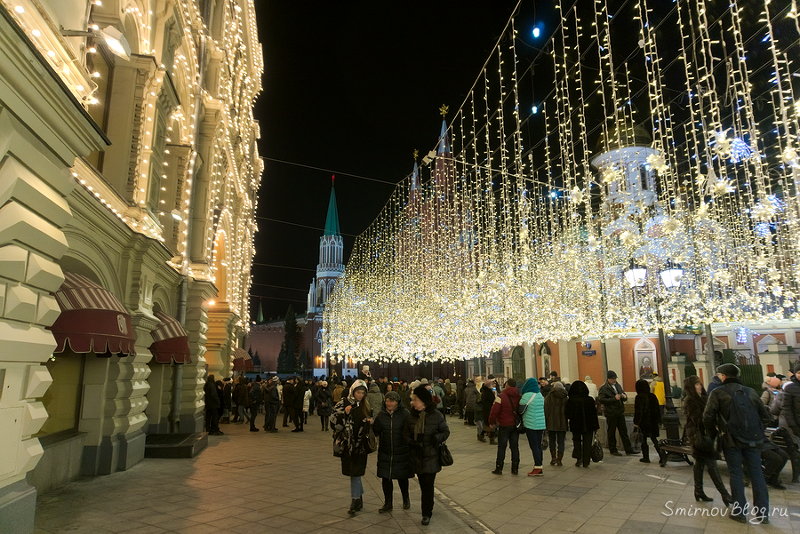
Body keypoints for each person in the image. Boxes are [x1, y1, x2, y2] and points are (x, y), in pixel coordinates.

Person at [703, 363, 771, 524]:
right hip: (753, 439)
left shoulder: (717, 392)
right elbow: (765, 416)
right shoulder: (751, 392)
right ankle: (763, 513)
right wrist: (756, 431)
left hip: (730, 439)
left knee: (736, 473)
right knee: (757, 473)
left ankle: (740, 511)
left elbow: (708, 417)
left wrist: (714, 434)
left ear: (723, 376)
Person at [405, 384, 450, 526]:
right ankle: (428, 506)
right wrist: (412, 442)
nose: (413, 402)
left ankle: (426, 513)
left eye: (415, 400)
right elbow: (405, 434)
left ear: (423, 401)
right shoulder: (411, 416)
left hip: (431, 456)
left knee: (428, 486)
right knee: (423, 485)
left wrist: (437, 438)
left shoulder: (436, 415)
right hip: (417, 456)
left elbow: (445, 431)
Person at [683, 376, 731, 503]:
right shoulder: (690, 401)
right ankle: (724, 494)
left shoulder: (705, 398)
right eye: (696, 384)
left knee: (699, 464)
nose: (700, 386)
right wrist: (709, 419)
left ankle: (698, 491)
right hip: (699, 436)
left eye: (699, 384)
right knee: (711, 464)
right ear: (691, 387)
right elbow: (697, 419)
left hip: (706, 435)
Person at [330, 379, 374, 515]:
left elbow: (369, 425)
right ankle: (358, 498)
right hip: (347, 445)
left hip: (361, 446)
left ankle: (355, 500)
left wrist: (370, 422)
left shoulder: (366, 405)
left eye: (363, 393)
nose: (360, 395)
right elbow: (334, 424)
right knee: (354, 473)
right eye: (358, 392)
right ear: (353, 391)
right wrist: (345, 414)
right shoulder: (342, 403)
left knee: (356, 473)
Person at [372, 391, 412, 512]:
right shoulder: (381, 415)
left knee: (402, 478)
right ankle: (388, 503)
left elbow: (410, 431)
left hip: (401, 451)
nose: (389, 403)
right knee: (386, 478)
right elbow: (376, 431)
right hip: (385, 452)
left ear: (398, 402)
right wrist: (371, 424)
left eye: (392, 401)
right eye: (387, 401)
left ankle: (406, 498)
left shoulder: (405, 414)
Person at [489, 378, 521, 475]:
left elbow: (494, 411)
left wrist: (491, 422)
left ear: (507, 385)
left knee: (502, 447)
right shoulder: (519, 396)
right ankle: (515, 468)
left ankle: (499, 468)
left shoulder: (501, 396)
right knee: (514, 447)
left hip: (504, 425)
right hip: (515, 425)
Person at [598, 371, 633, 456]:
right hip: (611, 413)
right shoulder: (604, 388)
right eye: (613, 379)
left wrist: (624, 396)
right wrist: (614, 398)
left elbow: (622, 393)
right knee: (611, 432)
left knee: (624, 432)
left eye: (615, 378)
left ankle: (628, 449)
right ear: (608, 379)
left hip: (620, 412)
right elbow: (601, 400)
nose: (614, 380)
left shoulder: (618, 385)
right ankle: (613, 449)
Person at [566, 380, 599, 468]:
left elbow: (568, 414)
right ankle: (586, 461)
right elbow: (594, 414)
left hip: (576, 424)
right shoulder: (590, 400)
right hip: (589, 424)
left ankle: (578, 458)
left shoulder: (571, 400)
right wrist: (596, 426)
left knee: (576, 441)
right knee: (587, 442)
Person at [519, 378, 546, 476]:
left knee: (534, 446)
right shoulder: (540, 395)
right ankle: (539, 466)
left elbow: (520, 408)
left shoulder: (526, 395)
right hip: (541, 424)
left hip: (531, 424)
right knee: (538, 446)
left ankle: (537, 467)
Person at [633, 379, 662, 463]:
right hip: (653, 421)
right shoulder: (652, 396)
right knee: (654, 440)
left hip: (644, 422)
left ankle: (646, 457)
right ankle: (662, 456)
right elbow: (657, 409)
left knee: (643, 440)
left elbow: (638, 412)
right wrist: (658, 420)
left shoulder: (639, 397)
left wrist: (636, 423)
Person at [544, 380, 568, 466]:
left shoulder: (549, 396)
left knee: (552, 441)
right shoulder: (565, 397)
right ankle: (559, 459)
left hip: (551, 422)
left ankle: (553, 458)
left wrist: (546, 420)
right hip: (562, 422)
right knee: (561, 442)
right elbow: (568, 410)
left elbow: (546, 410)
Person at [479, 377, 496, 444]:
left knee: (487, 424)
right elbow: (492, 399)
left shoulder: (485, 391)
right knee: (491, 424)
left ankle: (481, 435)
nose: (492, 385)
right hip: (489, 410)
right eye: (491, 384)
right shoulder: (488, 392)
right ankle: (491, 439)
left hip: (486, 410)